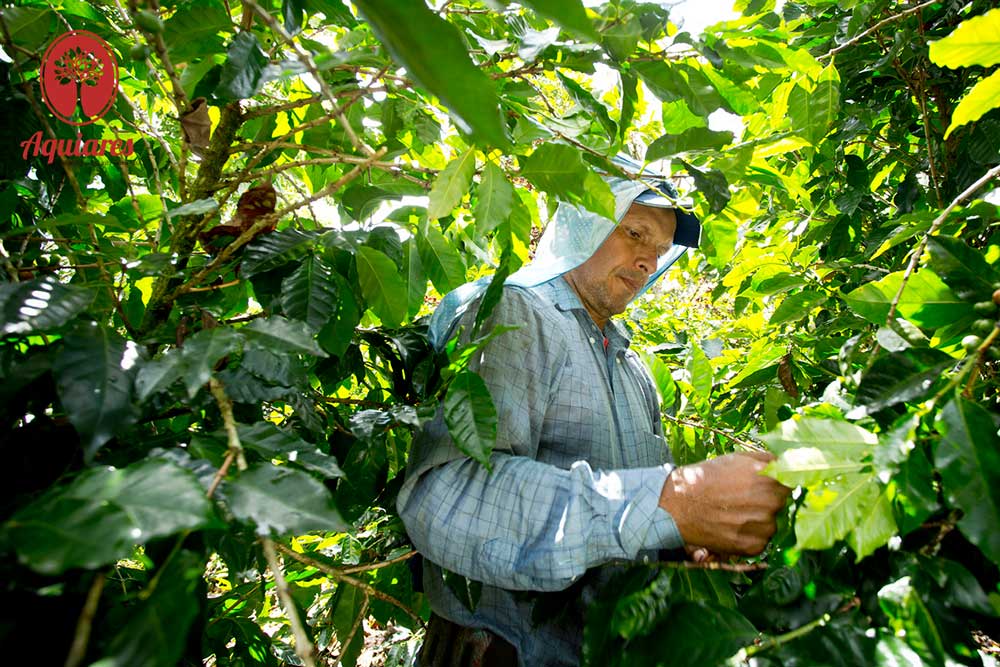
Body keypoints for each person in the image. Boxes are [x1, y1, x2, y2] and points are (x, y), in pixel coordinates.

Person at [397, 156, 791, 667]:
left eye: (661, 250)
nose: (648, 262)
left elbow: (644, 507)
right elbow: (446, 497)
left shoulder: (634, 370)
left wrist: (686, 532)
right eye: (635, 232)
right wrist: (670, 504)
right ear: (584, 219)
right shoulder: (513, 313)